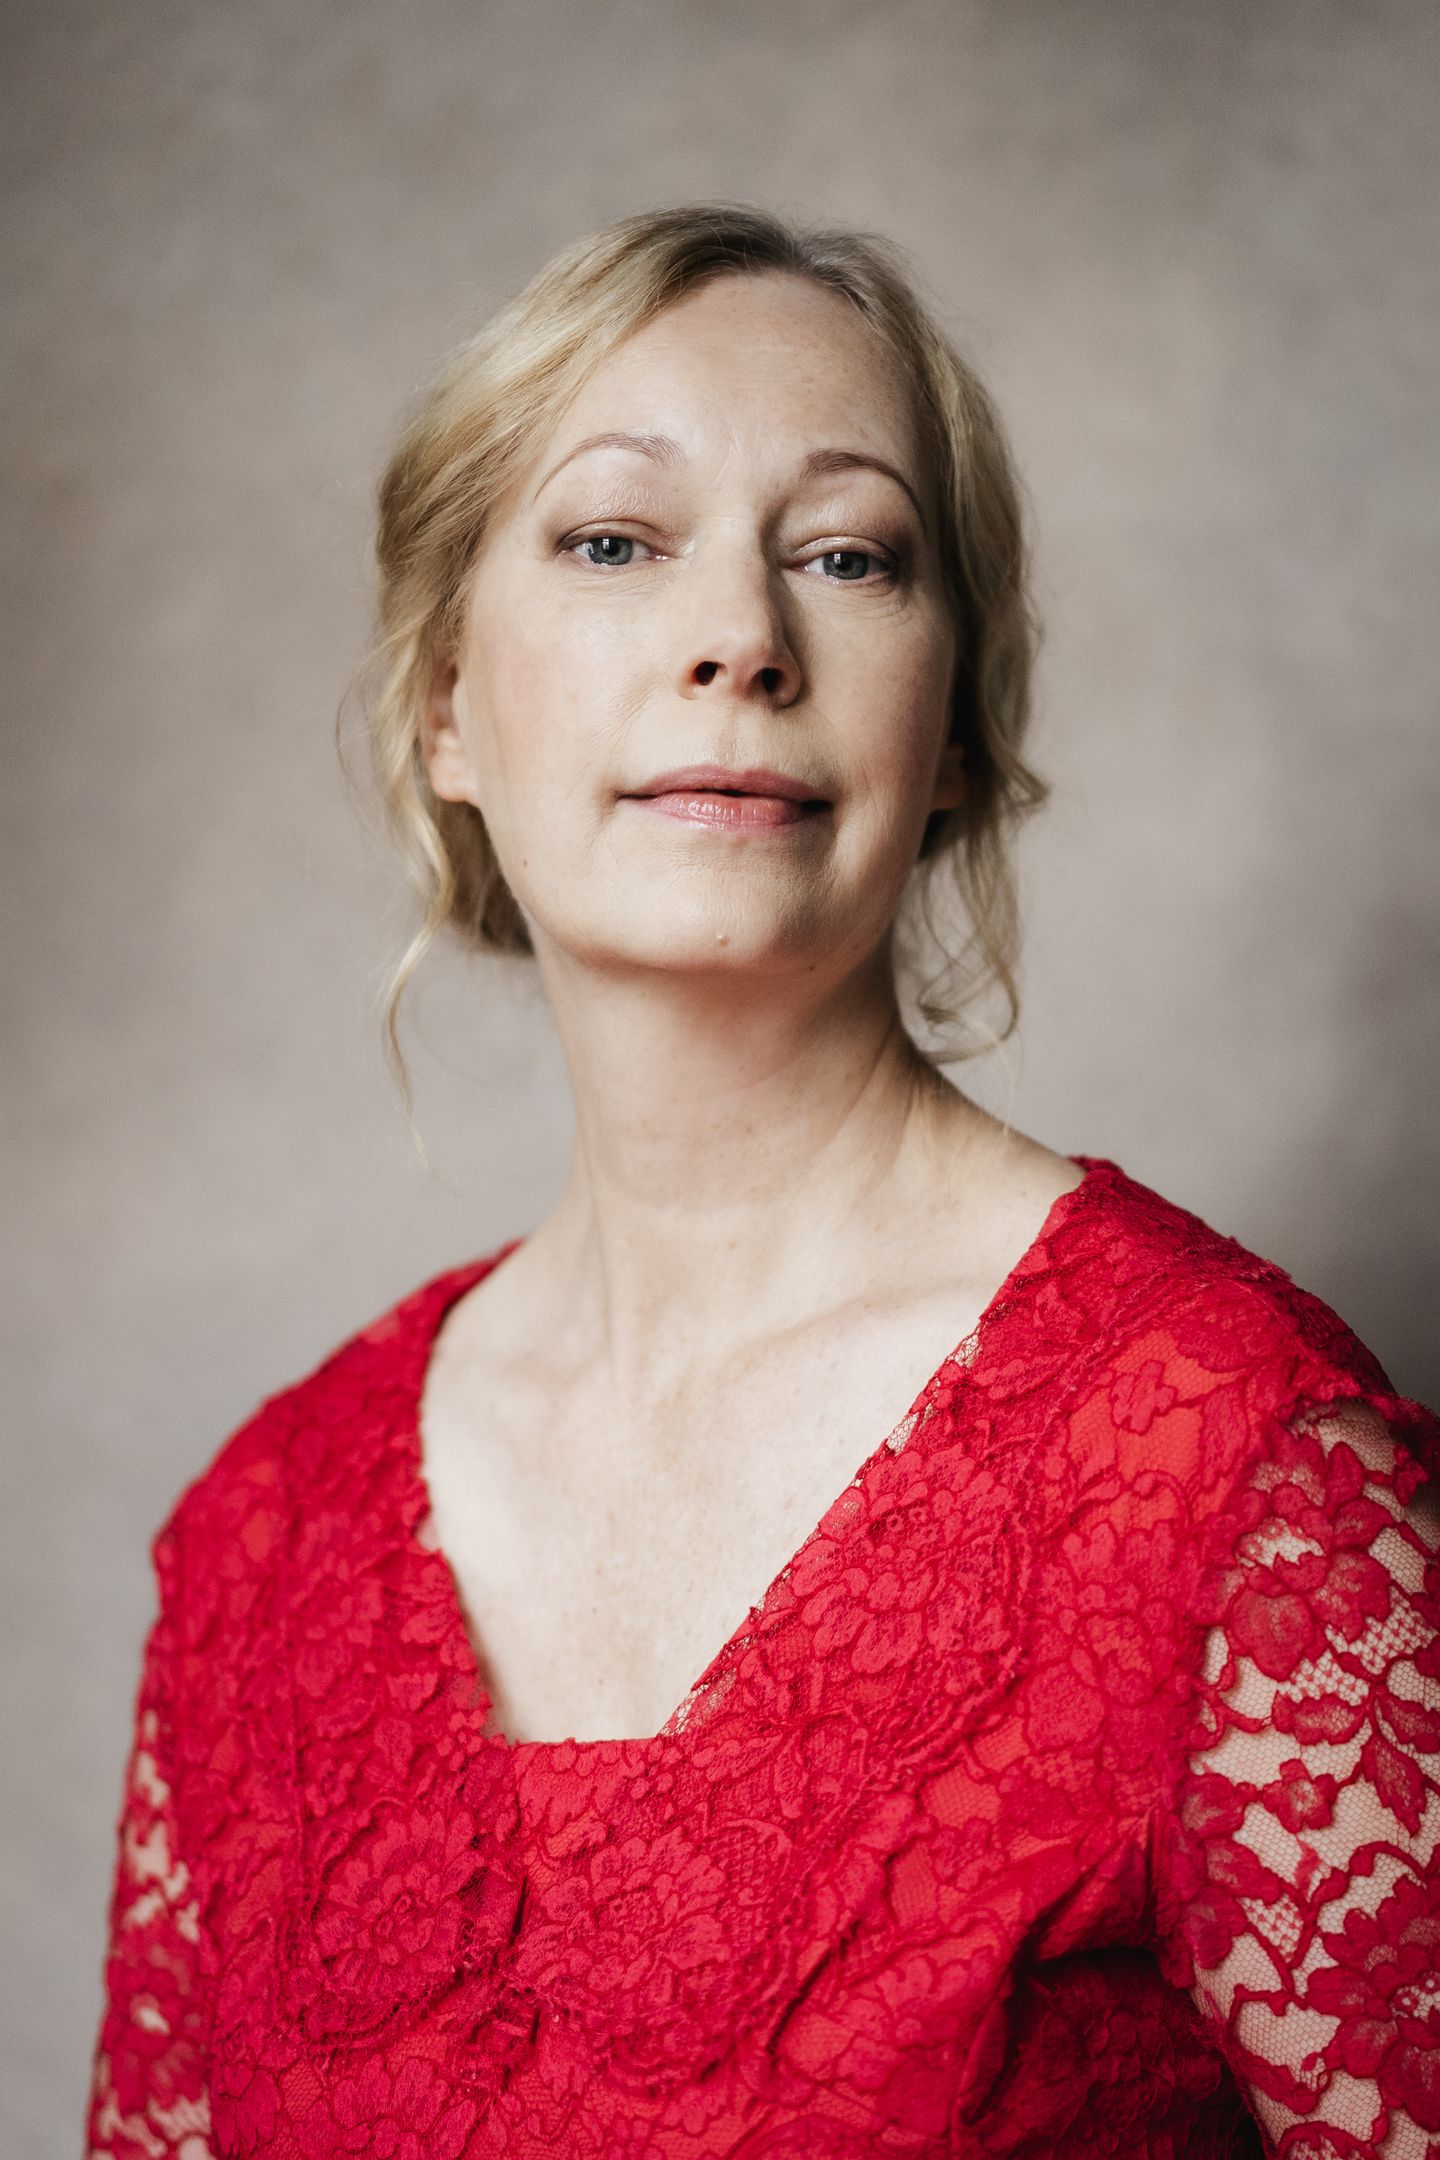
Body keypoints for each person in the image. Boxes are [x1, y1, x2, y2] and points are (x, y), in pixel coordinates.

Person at [85, 204, 1440, 2160]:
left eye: (847, 556)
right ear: (448, 704)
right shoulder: (261, 1542)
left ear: (953, 725)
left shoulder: (1236, 1459)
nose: (740, 638)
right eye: (614, 542)